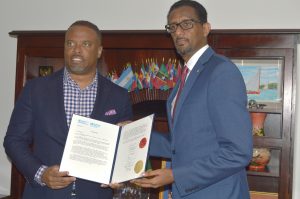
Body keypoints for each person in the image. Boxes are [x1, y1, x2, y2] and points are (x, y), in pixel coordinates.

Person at [132, 1, 253, 198]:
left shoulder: (220, 72)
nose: (178, 32)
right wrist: (134, 134)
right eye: (172, 27)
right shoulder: (186, 75)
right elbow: (179, 144)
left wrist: (175, 175)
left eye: (186, 24)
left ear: (205, 28)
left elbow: (237, 152)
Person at [3, 20, 132, 199]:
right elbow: (14, 141)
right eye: (70, 43)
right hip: (45, 194)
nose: (76, 50)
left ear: (99, 51)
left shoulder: (119, 96)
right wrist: (42, 173)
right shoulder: (35, 89)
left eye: (85, 44)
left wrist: (121, 175)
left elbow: (124, 150)